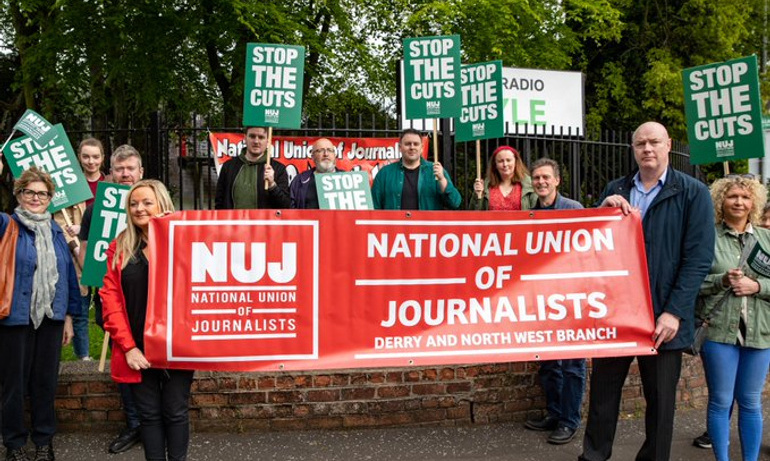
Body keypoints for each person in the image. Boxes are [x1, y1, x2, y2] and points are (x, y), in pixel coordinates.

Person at [579, 121, 715, 461]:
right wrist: (600, 213)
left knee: (661, 402)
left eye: (654, 142)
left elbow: (698, 259)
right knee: (603, 397)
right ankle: (594, 456)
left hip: (664, 316)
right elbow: (591, 249)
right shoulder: (616, 188)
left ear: (668, 144)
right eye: (640, 143)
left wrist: (674, 311)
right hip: (617, 313)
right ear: (632, 148)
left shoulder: (693, 192)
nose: (647, 149)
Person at [101, 180, 195, 461]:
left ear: (162, 204)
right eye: (133, 203)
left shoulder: (185, 241)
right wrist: (128, 347)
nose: (139, 208)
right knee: (149, 415)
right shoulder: (119, 247)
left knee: (175, 411)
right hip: (137, 347)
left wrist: (174, 234)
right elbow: (110, 300)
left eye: (146, 202)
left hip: (177, 344)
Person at [0, 167, 81, 461]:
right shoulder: (7, 225)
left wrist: (69, 317)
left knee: (45, 383)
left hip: (51, 318)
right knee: (14, 384)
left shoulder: (58, 231)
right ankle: (14, 442)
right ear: (19, 195)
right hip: (15, 319)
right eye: (29, 192)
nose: (36, 198)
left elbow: (68, 275)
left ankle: (44, 440)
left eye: (42, 193)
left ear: (50, 198)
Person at [697, 175, 770, 461]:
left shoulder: (766, 239)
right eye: (732, 196)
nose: (739, 202)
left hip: (760, 333)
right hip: (718, 332)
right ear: (720, 201)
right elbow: (694, 282)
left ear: (754, 202)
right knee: (721, 401)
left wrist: (758, 286)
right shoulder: (707, 236)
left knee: (751, 402)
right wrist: (721, 281)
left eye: (745, 197)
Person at [78, 144, 144, 454]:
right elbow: (87, 248)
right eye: (120, 169)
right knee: (122, 358)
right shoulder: (95, 208)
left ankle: (151, 421)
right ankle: (134, 424)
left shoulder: (150, 203)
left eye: (131, 168)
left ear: (140, 172)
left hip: (147, 299)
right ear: (111, 173)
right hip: (113, 296)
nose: (126, 173)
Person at [523, 158, 585, 445]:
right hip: (542, 299)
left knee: (572, 364)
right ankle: (555, 413)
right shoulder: (530, 215)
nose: (541, 182)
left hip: (571, 297)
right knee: (548, 363)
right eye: (536, 178)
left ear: (557, 180)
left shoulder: (574, 210)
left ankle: (570, 420)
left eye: (546, 177)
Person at [53, 138, 107, 361]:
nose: (91, 161)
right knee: (81, 308)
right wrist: (76, 247)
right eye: (86, 156)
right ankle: (83, 356)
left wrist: (85, 228)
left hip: (105, 253)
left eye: (95, 156)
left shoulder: (111, 185)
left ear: (102, 158)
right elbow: (59, 221)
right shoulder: (70, 186)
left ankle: (115, 352)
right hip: (78, 255)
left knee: (108, 310)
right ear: (79, 157)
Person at [371, 128, 461, 210]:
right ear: (400, 148)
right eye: (407, 144)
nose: (412, 147)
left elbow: (455, 203)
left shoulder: (435, 171)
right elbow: (374, 207)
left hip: (427, 227)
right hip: (395, 227)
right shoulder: (385, 173)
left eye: (416, 144)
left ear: (421, 148)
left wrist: (442, 179)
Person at [214, 126, 290, 209]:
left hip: (263, 221)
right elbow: (219, 202)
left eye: (261, 137)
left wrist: (272, 185)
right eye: (252, 136)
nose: (256, 141)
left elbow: (285, 205)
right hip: (234, 221)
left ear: (268, 140)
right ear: (245, 138)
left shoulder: (278, 169)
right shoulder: (228, 167)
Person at [468, 145, 537, 211]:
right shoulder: (486, 185)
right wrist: (477, 196)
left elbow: (537, 212)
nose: (505, 164)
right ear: (495, 164)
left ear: (516, 162)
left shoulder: (529, 184)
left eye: (508, 160)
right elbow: (474, 215)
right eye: (500, 161)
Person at [290, 138, 339, 209]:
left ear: (334, 155)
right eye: (320, 150)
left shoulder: (349, 179)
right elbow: (291, 210)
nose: (326, 154)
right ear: (313, 157)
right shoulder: (299, 181)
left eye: (329, 150)